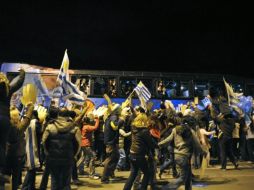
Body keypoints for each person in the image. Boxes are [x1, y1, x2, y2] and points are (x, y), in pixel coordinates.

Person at [158, 116, 206, 190]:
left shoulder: (175, 130)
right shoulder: (190, 131)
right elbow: (196, 144)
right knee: (182, 178)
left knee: (188, 175)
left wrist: (159, 144)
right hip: (185, 156)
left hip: (177, 156)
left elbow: (168, 140)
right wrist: (202, 152)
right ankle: (166, 188)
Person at [42, 109, 81, 190]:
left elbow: (44, 142)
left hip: (53, 158)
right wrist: (74, 155)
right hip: (68, 158)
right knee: (66, 182)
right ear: (68, 116)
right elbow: (78, 145)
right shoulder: (75, 128)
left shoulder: (50, 126)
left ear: (58, 115)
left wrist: (48, 153)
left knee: (54, 181)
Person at [0, 69, 25, 182]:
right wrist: (22, 73)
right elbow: (19, 82)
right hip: (4, 119)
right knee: (2, 146)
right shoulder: (7, 89)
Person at [123, 106, 156, 190]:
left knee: (133, 173)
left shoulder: (133, 128)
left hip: (132, 153)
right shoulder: (144, 131)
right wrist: (157, 145)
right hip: (139, 155)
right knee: (147, 173)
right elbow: (150, 143)